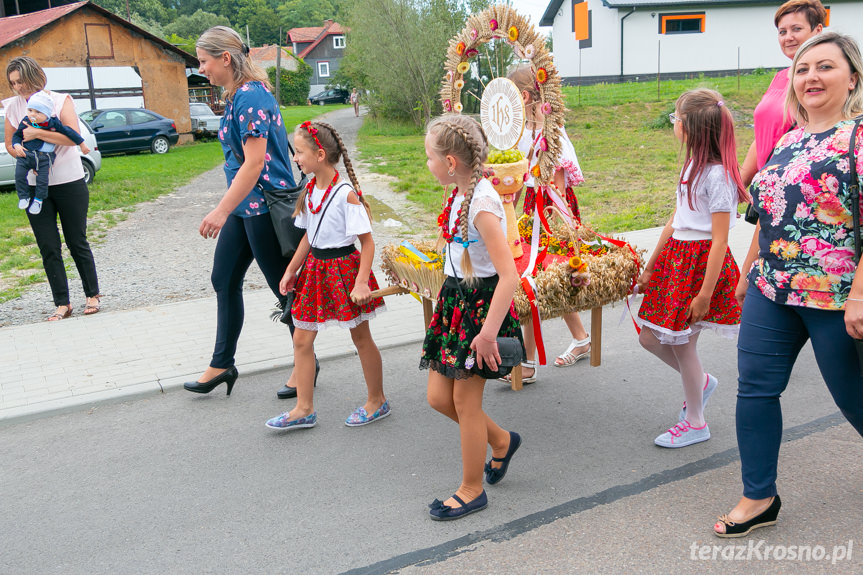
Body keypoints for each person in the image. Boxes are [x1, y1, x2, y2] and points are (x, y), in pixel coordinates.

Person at [714, 32, 863, 537]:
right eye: (803, 70)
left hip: (835, 296)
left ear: (853, 78)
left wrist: (860, 295)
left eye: (825, 67)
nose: (812, 78)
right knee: (754, 391)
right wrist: (750, 268)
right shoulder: (789, 139)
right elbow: (768, 212)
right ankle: (759, 496)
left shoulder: (859, 138)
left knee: (854, 398)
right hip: (771, 288)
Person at [420, 114, 524, 520]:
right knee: (437, 397)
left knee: (464, 401)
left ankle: (471, 489)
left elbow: (509, 275)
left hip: (481, 310)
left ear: (449, 161)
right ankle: (500, 441)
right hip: (455, 302)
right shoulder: (461, 191)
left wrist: (486, 334)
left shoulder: (481, 203)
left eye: (429, 157)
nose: (425, 164)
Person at [183, 26, 296, 397]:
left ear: (225, 58)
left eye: (204, 61)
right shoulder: (236, 95)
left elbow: (254, 163)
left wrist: (219, 210)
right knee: (224, 278)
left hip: (263, 205)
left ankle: (305, 364)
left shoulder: (250, 97)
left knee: (284, 288)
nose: (202, 69)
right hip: (246, 207)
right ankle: (222, 364)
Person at [637, 88, 748, 448]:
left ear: (691, 128)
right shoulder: (691, 167)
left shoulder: (717, 177)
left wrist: (704, 294)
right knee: (649, 337)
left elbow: (718, 240)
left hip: (698, 266)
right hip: (676, 261)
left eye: (676, 118)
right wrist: (652, 266)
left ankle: (697, 421)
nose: (674, 124)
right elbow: (676, 220)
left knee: (683, 346)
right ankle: (699, 382)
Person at [265, 120, 388, 430]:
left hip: (345, 271)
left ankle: (377, 400)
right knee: (302, 339)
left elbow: (367, 242)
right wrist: (292, 269)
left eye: (300, 152)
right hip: (315, 271)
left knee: (361, 338)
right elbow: (309, 236)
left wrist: (361, 282)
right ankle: (303, 408)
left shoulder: (346, 195)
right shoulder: (309, 190)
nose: (295, 158)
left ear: (320, 155)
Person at [506, 64, 590, 384]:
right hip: (531, 209)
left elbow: (554, 184)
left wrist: (563, 225)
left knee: (535, 279)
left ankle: (527, 362)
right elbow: (515, 177)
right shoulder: (521, 129)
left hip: (551, 211)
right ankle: (581, 338)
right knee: (536, 278)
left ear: (525, 96)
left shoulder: (550, 132)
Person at [3, 57, 102, 320]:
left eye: (20, 81)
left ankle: (92, 294)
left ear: (34, 76)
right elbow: (10, 144)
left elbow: (71, 136)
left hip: (69, 182)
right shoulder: (13, 107)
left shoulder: (60, 101)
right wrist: (22, 155)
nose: (17, 88)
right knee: (48, 246)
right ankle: (62, 303)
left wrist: (37, 135)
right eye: (12, 83)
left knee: (76, 241)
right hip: (36, 188)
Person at [740, 0, 826, 187]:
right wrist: (739, 185)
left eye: (796, 29)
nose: (788, 37)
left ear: (818, 30)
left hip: (799, 189)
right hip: (767, 188)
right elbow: (763, 137)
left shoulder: (823, 80)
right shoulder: (780, 77)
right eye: (782, 32)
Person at [13, 91, 90, 215]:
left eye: (38, 112)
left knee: (42, 181)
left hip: (44, 158)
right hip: (26, 156)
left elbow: (70, 132)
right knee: (19, 175)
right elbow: (16, 136)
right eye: (30, 110)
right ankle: (23, 196)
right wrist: (16, 145)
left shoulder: (53, 123)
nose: (33, 114)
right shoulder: (26, 121)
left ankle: (38, 200)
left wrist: (82, 144)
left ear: (47, 113)